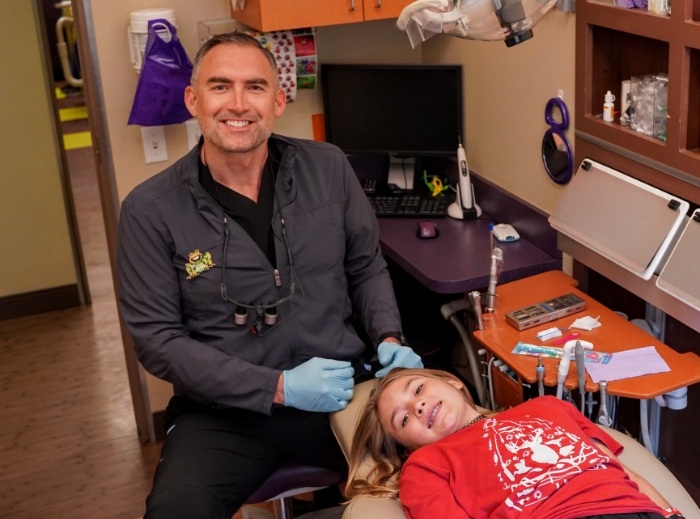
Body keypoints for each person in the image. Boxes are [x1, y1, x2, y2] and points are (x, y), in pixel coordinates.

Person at [117, 32, 423, 518]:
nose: (238, 104)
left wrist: (388, 335)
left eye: (255, 87)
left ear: (279, 101)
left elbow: (365, 266)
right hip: (223, 414)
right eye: (220, 87)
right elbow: (158, 341)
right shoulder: (149, 210)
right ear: (193, 100)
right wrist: (277, 387)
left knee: (442, 483)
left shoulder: (328, 167)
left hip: (345, 393)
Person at [345, 368, 686, 519]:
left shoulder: (548, 407)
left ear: (452, 381)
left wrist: (671, 514)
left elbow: (620, 471)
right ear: (408, 447)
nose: (416, 406)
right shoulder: (425, 465)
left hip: (633, 511)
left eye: (418, 389)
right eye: (403, 420)